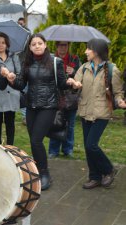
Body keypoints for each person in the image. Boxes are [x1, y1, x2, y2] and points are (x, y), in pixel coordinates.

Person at [8, 33, 70, 191]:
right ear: (30, 47)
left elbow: (62, 84)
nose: (37, 46)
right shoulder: (26, 62)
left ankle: (44, 173)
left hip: (48, 106)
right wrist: (12, 80)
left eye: (39, 43)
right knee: (34, 141)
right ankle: (38, 169)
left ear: (45, 44)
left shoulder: (56, 62)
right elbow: (21, 85)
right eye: (33, 44)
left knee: (36, 140)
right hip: (31, 107)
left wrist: (71, 83)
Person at [67, 38, 126, 189]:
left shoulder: (112, 69)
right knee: (88, 147)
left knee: (91, 145)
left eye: (88, 49)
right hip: (85, 111)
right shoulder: (84, 68)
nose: (86, 51)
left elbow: (118, 92)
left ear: (97, 51)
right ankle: (94, 177)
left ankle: (108, 169)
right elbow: (75, 84)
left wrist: (120, 101)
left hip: (101, 112)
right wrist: (74, 84)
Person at [48, 41, 81, 158]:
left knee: (70, 125)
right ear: (56, 46)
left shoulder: (75, 59)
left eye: (65, 45)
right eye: (60, 45)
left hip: (71, 98)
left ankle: (68, 149)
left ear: (68, 46)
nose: (63, 47)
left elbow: (81, 77)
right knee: (55, 123)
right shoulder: (52, 59)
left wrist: (74, 72)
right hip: (55, 97)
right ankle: (53, 150)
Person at [0, 32, 21, 145]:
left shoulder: (14, 57)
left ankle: (10, 146)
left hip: (11, 94)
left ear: (7, 44)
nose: (0, 45)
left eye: (3, 42)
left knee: (10, 122)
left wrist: (13, 76)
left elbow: (19, 73)